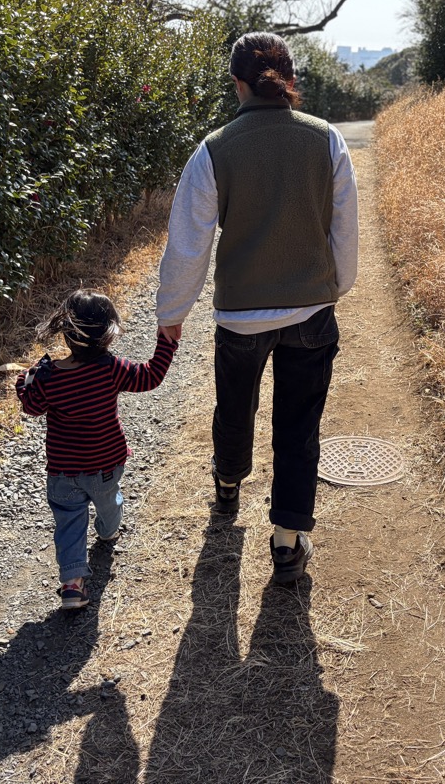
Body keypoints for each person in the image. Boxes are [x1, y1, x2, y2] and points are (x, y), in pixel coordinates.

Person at [156, 31, 359, 584]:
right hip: (311, 310)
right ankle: (288, 543)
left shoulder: (215, 149)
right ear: (290, 81)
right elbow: (345, 229)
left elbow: (188, 242)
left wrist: (170, 314)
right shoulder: (327, 141)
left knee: (234, 407)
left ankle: (227, 482)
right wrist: (332, 287)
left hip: (240, 315)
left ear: (237, 83)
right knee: (300, 425)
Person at [17, 289, 178, 609]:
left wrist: (25, 380)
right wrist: (167, 342)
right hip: (106, 464)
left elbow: (31, 406)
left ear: (65, 333)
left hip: (63, 471)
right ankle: (108, 531)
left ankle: (72, 584)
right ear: (109, 334)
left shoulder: (51, 376)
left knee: (69, 522)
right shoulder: (112, 368)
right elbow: (151, 377)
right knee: (110, 503)